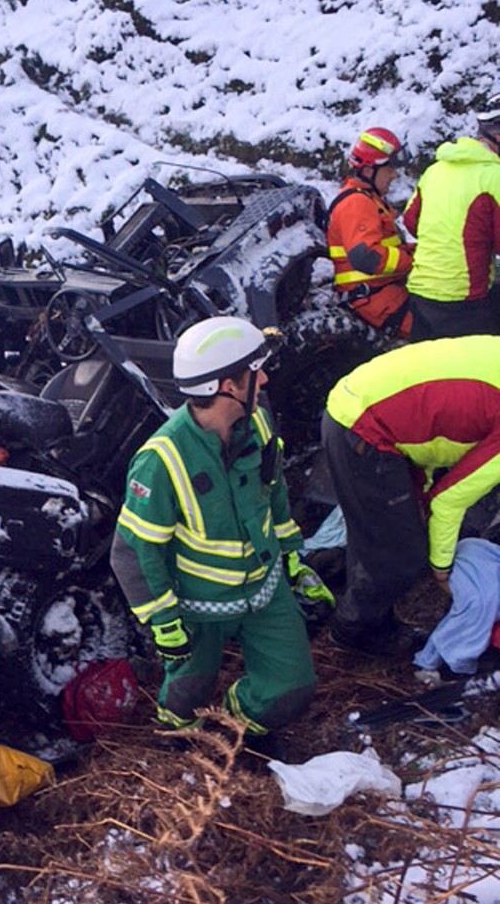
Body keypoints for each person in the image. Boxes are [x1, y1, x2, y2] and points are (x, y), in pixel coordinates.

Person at [109, 316, 326, 737]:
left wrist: (293, 558)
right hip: (197, 605)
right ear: (227, 386)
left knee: (292, 689)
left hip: (265, 588)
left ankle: (227, 733)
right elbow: (132, 551)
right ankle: (178, 739)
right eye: (254, 372)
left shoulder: (260, 422)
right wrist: (164, 621)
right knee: (186, 695)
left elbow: (275, 492)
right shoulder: (162, 459)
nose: (262, 380)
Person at [322, 335, 500, 656]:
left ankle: (330, 581)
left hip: (364, 403)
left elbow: (437, 424)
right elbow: (449, 499)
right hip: (365, 428)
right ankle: (351, 631)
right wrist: (442, 569)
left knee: (382, 529)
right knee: (402, 556)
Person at [402, 92, 500, 340]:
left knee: (427, 370)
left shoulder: (436, 170)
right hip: (465, 299)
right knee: (470, 372)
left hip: (421, 292)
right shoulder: (494, 177)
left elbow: (411, 221)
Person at [326, 126, 414, 338]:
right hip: (376, 301)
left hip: (385, 293)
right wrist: (415, 259)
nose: (394, 175)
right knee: (447, 327)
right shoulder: (357, 203)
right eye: (389, 169)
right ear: (368, 171)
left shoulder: (366, 198)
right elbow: (367, 257)